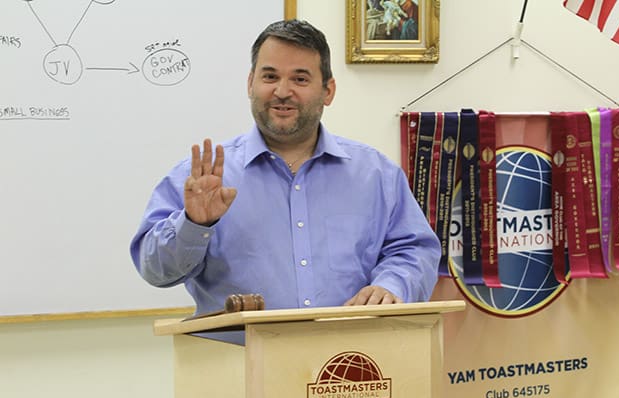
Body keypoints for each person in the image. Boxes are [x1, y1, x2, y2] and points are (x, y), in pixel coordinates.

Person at [130, 19, 440, 317]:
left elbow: (415, 250)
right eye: (269, 76)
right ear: (250, 83)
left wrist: (391, 285)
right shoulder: (204, 177)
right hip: (235, 363)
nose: (282, 91)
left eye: (300, 78)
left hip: (347, 362)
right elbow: (155, 271)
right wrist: (194, 224)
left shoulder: (375, 174)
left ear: (328, 90)